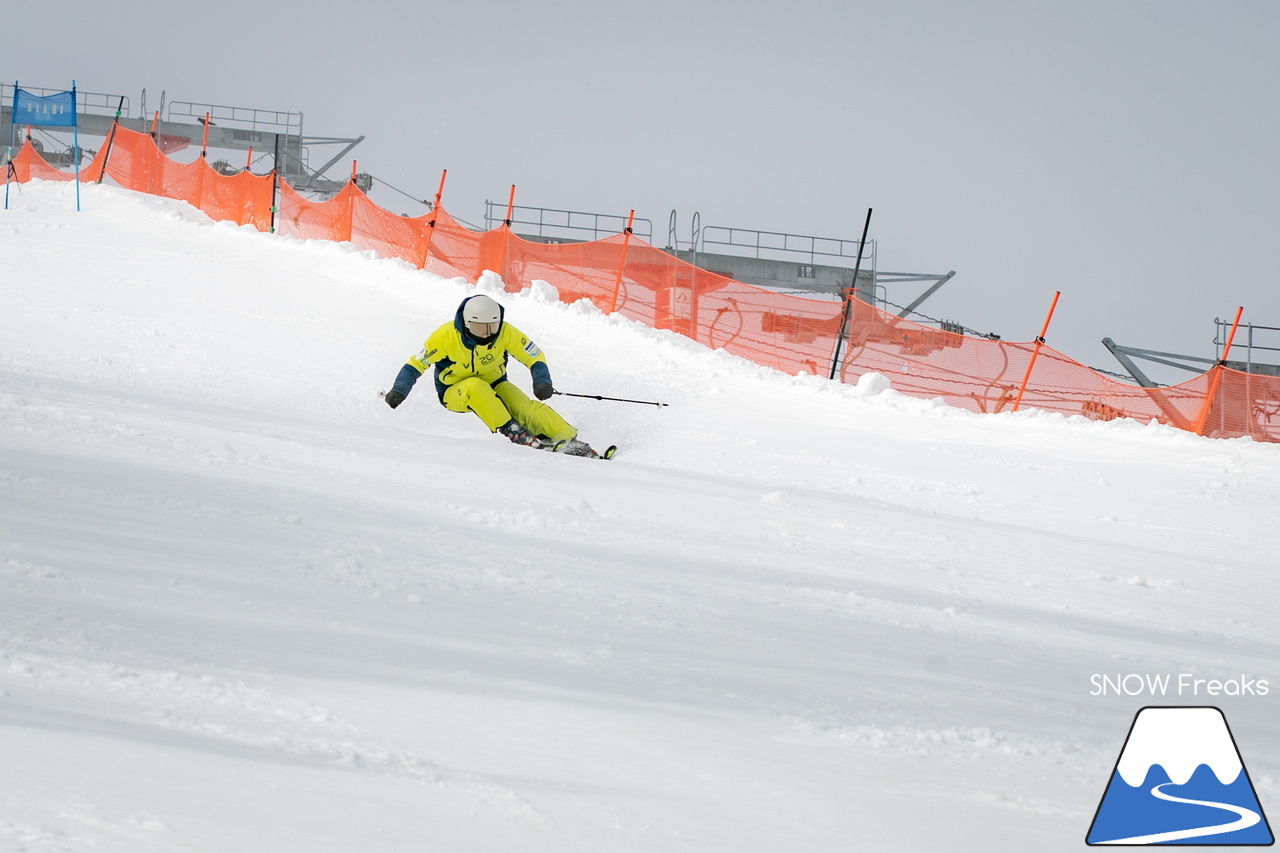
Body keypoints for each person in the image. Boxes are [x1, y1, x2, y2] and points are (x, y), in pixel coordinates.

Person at [383, 294, 603, 457]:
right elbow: (415, 365)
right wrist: (398, 391)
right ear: (468, 324)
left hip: (495, 382)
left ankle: (568, 438)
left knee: (524, 406)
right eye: (481, 328)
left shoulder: (505, 332)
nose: (488, 333)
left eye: (492, 326)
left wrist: (542, 381)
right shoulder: (445, 336)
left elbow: (534, 355)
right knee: (475, 387)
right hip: (454, 391)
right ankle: (515, 432)